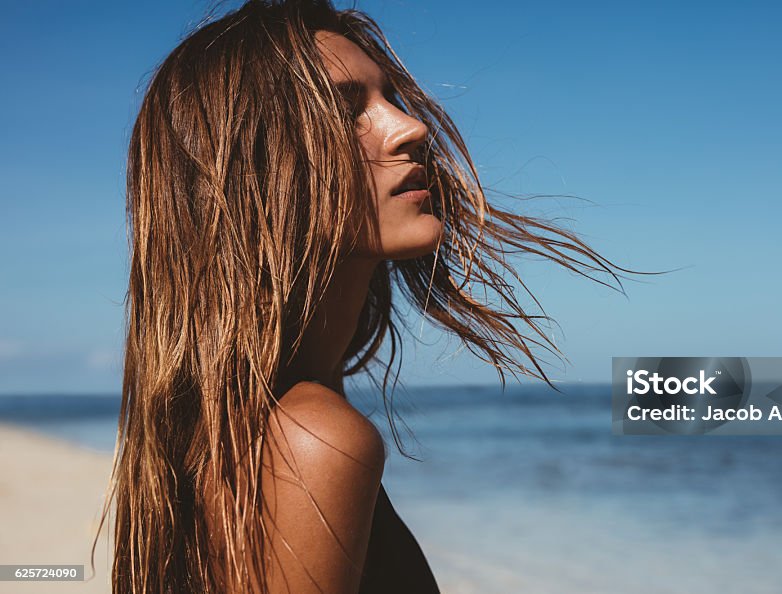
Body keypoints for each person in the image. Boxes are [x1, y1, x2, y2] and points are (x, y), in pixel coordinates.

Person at [93, 1, 633, 592]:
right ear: (251, 165)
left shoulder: (229, 429)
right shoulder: (313, 439)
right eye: (346, 110)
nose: (411, 128)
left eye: (389, 99)